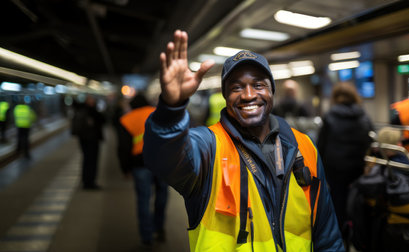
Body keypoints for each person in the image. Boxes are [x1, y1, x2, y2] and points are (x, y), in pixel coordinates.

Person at [143, 30, 344, 251]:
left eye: (258, 85)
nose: (248, 95)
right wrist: (171, 109)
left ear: (271, 91)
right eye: (236, 87)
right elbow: (164, 158)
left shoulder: (303, 147)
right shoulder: (208, 147)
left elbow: (327, 234)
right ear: (226, 97)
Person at [316, 81, 374, 232]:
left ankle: (340, 234)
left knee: (338, 202)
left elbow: (321, 145)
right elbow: (370, 141)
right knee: (357, 201)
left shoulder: (330, 116)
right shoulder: (363, 116)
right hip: (358, 169)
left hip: (336, 170)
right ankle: (358, 232)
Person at [117, 93, 168, 246]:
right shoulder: (159, 115)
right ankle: (159, 228)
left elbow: (123, 148)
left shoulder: (126, 120)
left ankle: (147, 236)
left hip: (140, 164)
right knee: (162, 196)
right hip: (162, 163)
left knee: (143, 200)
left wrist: (125, 169)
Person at [71, 95, 105, 190]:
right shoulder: (90, 111)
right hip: (91, 139)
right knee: (91, 161)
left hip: (84, 139)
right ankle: (90, 182)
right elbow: (102, 120)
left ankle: (87, 181)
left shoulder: (81, 110)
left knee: (87, 160)